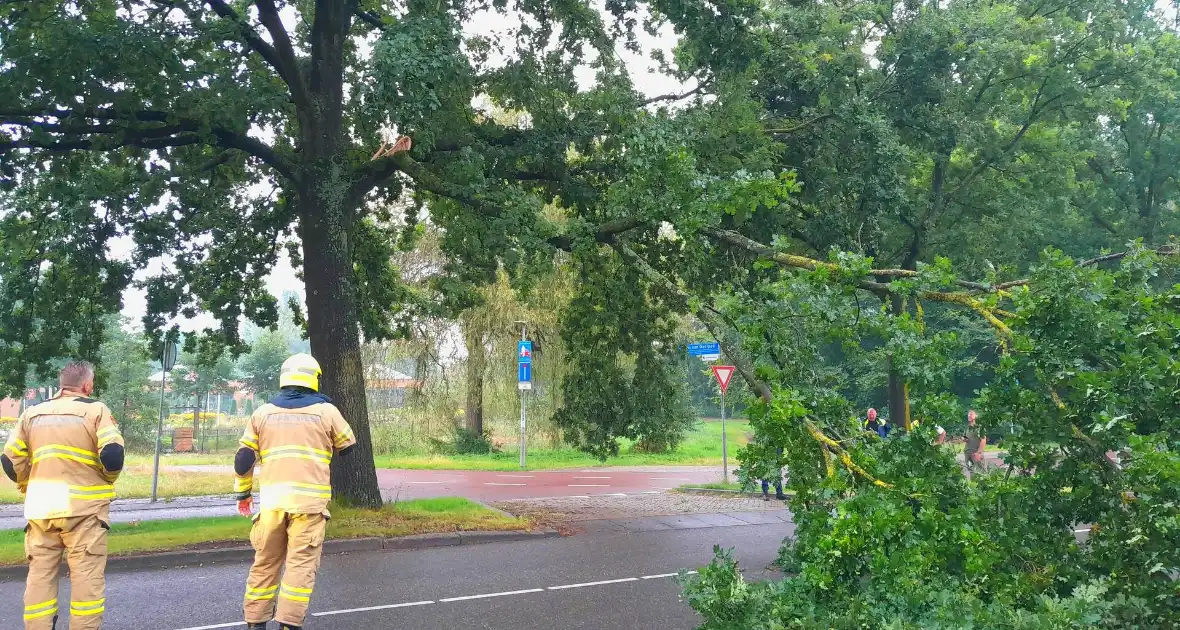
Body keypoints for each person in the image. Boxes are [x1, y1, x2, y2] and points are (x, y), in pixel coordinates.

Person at [235, 353, 357, 630]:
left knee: (265, 563)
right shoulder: (327, 412)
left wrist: (243, 494)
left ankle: (255, 622)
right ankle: (289, 625)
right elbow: (349, 447)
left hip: (272, 505)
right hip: (308, 506)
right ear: (314, 379)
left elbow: (243, 459)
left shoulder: (262, 413)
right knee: (300, 566)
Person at [2, 361, 124, 630]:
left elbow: (10, 461)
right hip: (84, 513)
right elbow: (113, 456)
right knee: (86, 584)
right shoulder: (95, 410)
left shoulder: (31, 414)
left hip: (41, 510)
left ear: (61, 384)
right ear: (87, 385)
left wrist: (26, 483)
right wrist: (106, 478)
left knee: (39, 579)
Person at [964, 409, 986, 477]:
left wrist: (979, 453)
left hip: (976, 453)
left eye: (971, 414)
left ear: (976, 416)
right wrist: (964, 439)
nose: (969, 415)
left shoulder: (979, 427)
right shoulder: (967, 428)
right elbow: (965, 437)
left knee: (980, 472)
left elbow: (983, 440)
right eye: (968, 414)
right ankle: (974, 486)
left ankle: (983, 487)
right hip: (968, 453)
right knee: (971, 471)